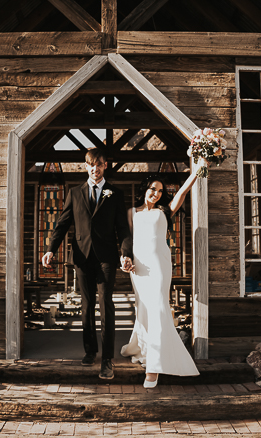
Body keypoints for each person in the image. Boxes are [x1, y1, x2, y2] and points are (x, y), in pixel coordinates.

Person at [42, 148, 133, 379]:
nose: (96, 168)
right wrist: (51, 249)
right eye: (91, 164)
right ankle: (90, 351)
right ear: (86, 166)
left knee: (105, 303)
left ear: (105, 166)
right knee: (86, 305)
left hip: (107, 258)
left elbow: (122, 228)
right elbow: (62, 224)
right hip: (81, 258)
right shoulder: (75, 193)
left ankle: (108, 359)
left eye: (100, 164)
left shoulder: (116, 194)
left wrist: (125, 253)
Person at [120, 160, 209, 387]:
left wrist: (198, 169)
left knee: (159, 307)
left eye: (160, 191)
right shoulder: (132, 212)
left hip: (159, 264)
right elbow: (126, 242)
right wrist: (125, 260)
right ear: (145, 189)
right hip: (139, 268)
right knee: (145, 308)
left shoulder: (164, 211)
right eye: (153, 189)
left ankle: (154, 366)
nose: (157, 194)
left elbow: (182, 191)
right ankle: (142, 347)